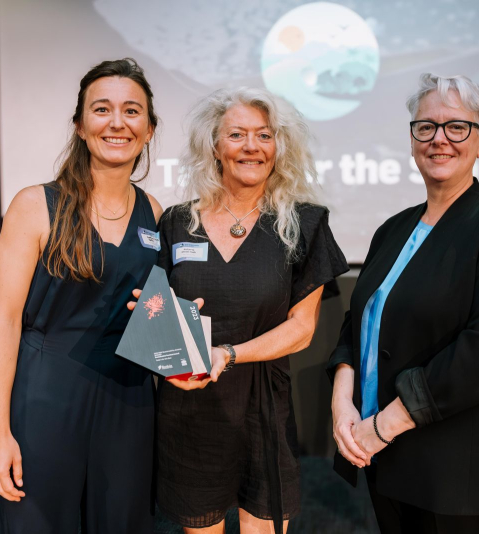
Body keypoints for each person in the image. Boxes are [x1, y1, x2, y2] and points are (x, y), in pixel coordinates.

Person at [328, 73, 479, 534]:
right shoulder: (393, 229)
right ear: (411, 140)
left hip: (455, 471)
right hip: (385, 459)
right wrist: (342, 402)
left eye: (456, 127)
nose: (439, 139)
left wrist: (382, 426)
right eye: (425, 127)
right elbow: (360, 322)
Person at [155, 87, 349, 533]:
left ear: (279, 148)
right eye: (237, 134)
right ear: (215, 147)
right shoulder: (176, 221)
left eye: (264, 136)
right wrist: (158, 335)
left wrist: (230, 353)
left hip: (264, 409)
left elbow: (302, 329)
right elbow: (158, 313)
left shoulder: (304, 224)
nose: (251, 147)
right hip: (190, 406)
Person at [0, 58, 163, 534]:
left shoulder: (156, 213)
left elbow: (153, 316)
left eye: (131, 111)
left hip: (130, 402)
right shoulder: (34, 205)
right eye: (101, 109)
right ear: (81, 126)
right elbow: (3, 323)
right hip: (46, 398)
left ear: (148, 129)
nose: (117, 122)